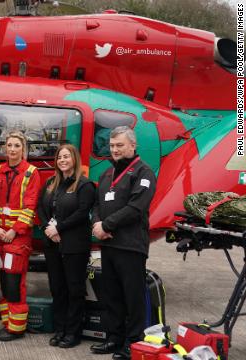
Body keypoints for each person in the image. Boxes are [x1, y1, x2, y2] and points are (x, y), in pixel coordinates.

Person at [90, 126, 156, 360]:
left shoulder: (143, 172)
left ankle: (133, 342)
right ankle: (113, 338)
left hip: (130, 246)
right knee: (111, 296)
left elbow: (136, 208)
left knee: (132, 297)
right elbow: (97, 204)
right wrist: (97, 224)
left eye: (120, 145)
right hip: (108, 246)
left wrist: (106, 226)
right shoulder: (106, 174)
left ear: (133, 145)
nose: (115, 149)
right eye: (112, 145)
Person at [37, 144, 96, 348]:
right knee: (57, 288)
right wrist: (47, 228)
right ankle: (60, 329)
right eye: (59, 157)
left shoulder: (84, 185)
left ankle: (73, 332)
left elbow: (81, 213)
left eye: (66, 157)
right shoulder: (51, 183)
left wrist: (58, 228)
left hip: (74, 245)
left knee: (74, 289)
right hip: (52, 244)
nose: (62, 160)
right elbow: (40, 208)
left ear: (74, 159)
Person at [0, 130, 41, 342]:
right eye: (9, 145)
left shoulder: (31, 173)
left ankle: (16, 329)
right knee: (3, 279)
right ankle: (7, 322)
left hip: (17, 238)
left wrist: (14, 230)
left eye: (16, 146)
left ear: (23, 149)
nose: (12, 149)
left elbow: (30, 207)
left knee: (14, 282)